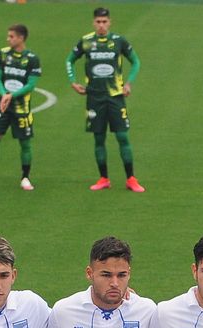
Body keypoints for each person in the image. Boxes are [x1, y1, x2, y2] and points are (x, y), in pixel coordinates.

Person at [66, 6, 143, 193]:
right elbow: (69, 60)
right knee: (98, 139)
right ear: (94, 23)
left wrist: (129, 83)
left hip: (115, 97)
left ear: (110, 22)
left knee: (122, 137)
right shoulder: (86, 41)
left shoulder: (118, 41)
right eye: (98, 22)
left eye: (104, 22)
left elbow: (136, 61)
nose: (101, 25)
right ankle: (104, 178)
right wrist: (73, 82)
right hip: (94, 97)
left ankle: (131, 179)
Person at [0, 24, 40, 191]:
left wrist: (12, 95)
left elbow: (31, 85)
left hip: (21, 107)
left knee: (25, 143)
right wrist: (4, 94)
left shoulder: (32, 58)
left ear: (21, 38)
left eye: (11, 36)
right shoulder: (2, 54)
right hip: (2, 106)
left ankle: (25, 177)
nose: (8, 39)